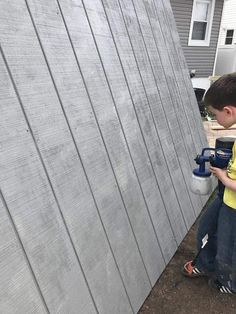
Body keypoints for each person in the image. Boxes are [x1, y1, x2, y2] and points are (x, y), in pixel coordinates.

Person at [182, 72, 236, 294]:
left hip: (234, 205)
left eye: (214, 115)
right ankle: (205, 265)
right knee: (207, 226)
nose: (213, 120)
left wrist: (223, 177)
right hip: (227, 195)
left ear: (228, 111)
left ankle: (227, 283)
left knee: (228, 245)